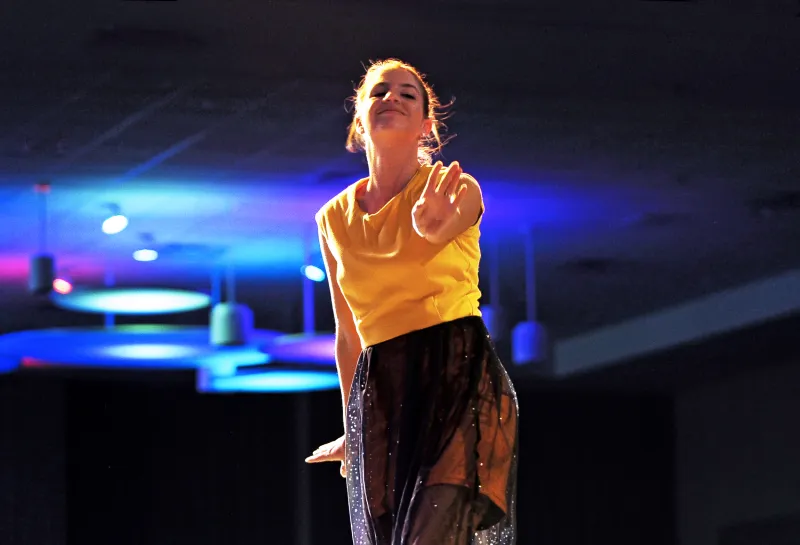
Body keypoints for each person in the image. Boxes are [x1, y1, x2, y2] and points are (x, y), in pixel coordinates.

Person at [305, 58, 518, 545]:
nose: (391, 99)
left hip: (454, 375)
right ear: (359, 117)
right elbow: (348, 333)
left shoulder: (453, 187)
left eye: (407, 93)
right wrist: (352, 428)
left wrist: (431, 225)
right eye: (379, 92)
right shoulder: (332, 218)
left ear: (426, 124)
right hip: (382, 389)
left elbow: (444, 224)